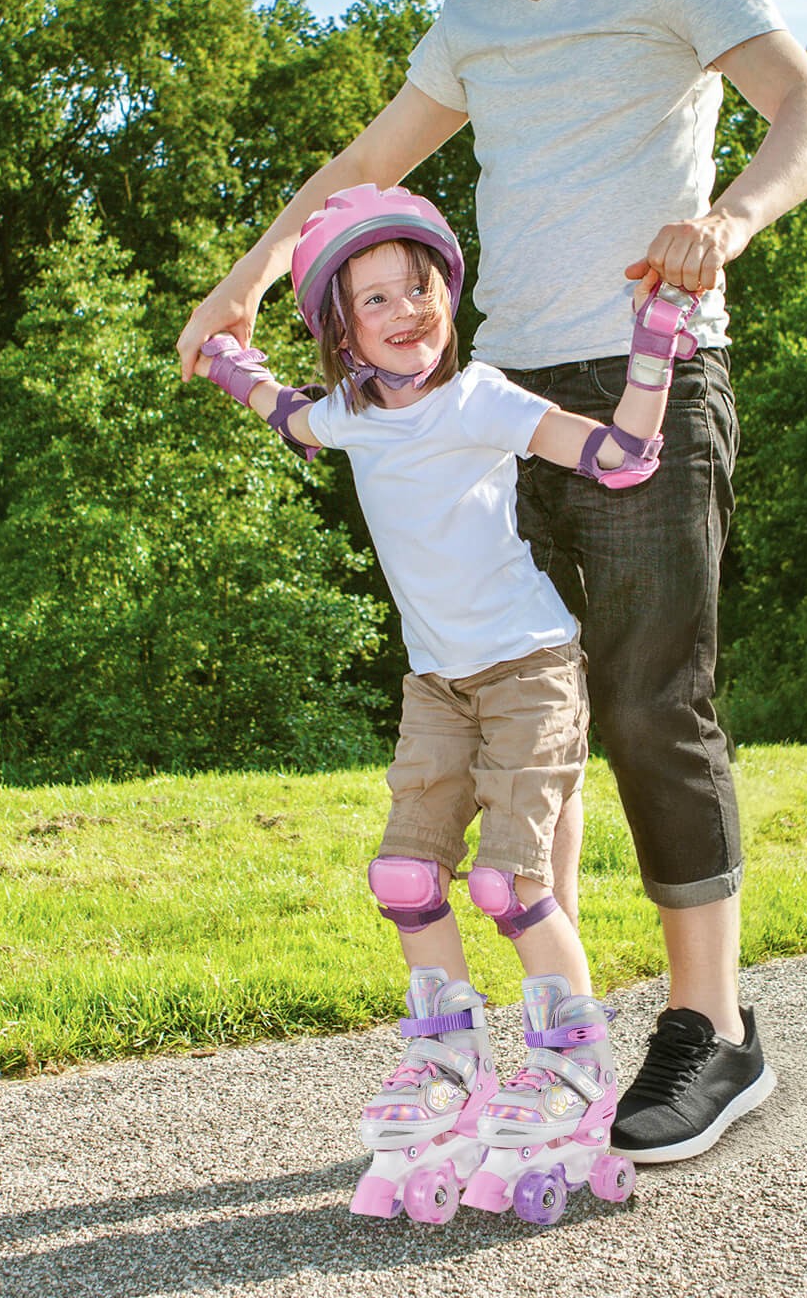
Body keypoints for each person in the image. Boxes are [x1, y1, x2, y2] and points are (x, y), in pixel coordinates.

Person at [177, 0, 807, 1164]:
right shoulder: (475, 15)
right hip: (496, 396)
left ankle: (713, 1031)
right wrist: (240, 285)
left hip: (648, 375)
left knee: (650, 703)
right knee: (518, 707)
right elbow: (363, 167)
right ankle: (568, 1035)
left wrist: (729, 220)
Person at [199, 181, 700, 1222]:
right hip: (436, 684)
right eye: (373, 299)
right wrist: (221, 353)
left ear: (447, 295)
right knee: (402, 876)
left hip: (527, 670)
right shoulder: (348, 416)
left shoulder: (481, 399)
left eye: (418, 287)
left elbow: (621, 457)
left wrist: (654, 346)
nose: (405, 311)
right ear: (340, 330)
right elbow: (283, 412)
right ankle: (450, 1066)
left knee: (509, 886)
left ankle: (571, 1065)